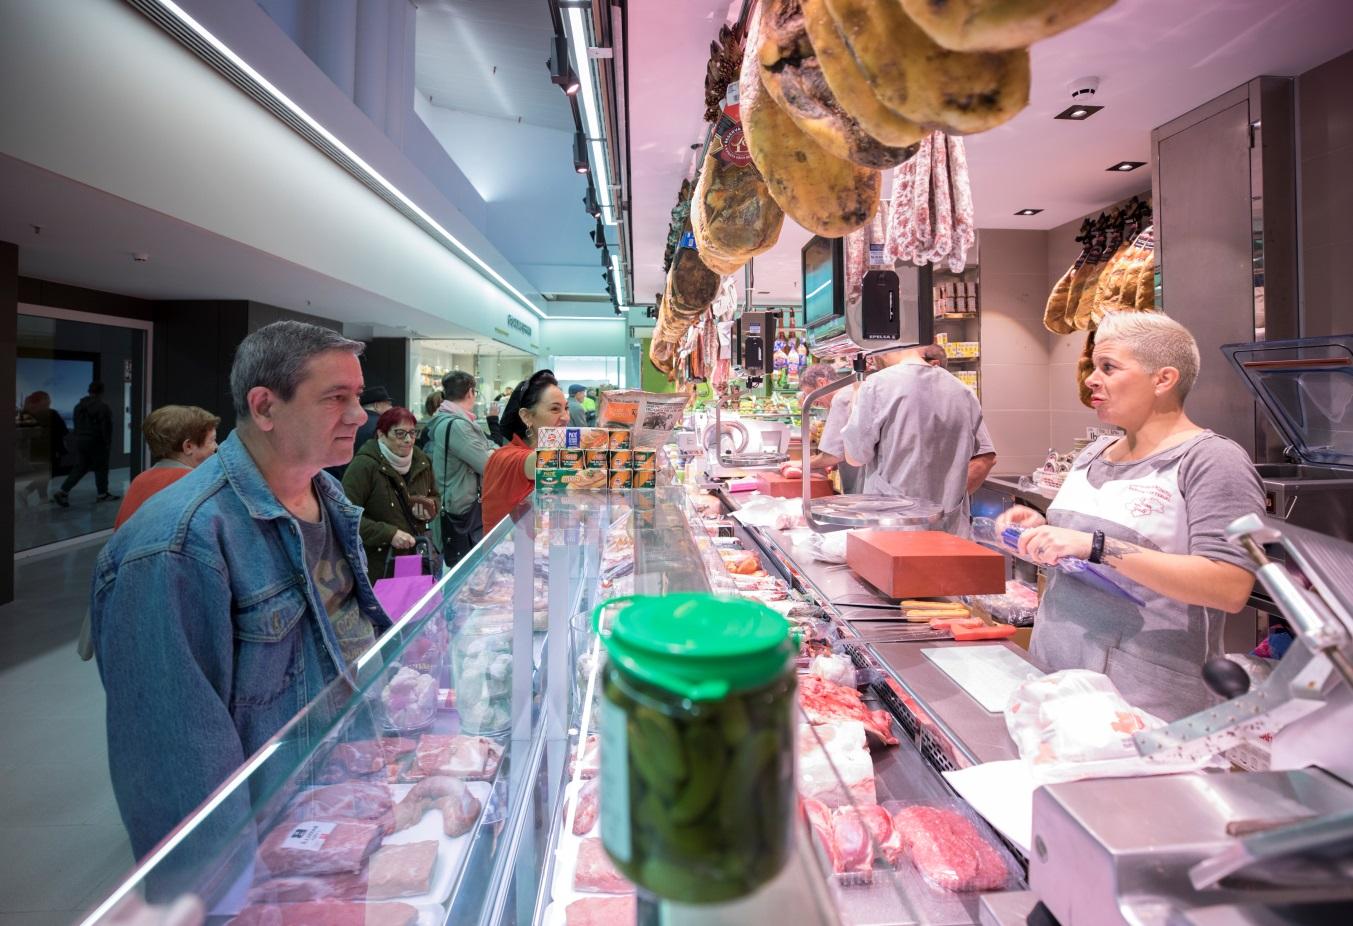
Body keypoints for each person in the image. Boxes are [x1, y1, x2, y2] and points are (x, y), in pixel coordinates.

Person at [91, 320, 390, 860]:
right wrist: (222, 898)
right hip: (272, 845)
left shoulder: (328, 496)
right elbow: (177, 772)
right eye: (335, 398)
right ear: (265, 406)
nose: (359, 415)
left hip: (336, 806)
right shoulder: (175, 547)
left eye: (359, 396)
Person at [997, 312, 1264, 721]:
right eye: (1093, 367)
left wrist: (1099, 547)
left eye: (1108, 367)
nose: (1090, 379)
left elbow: (1229, 586)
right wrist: (1039, 531)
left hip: (1144, 703)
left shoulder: (1211, 460)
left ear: (1164, 379)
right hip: (1055, 679)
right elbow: (1077, 548)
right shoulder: (1093, 454)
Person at [840, 345, 996, 536]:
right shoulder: (963, 391)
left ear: (884, 348)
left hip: (893, 530)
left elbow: (855, 457)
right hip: (950, 530)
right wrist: (949, 494)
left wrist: (857, 397)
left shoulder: (877, 385)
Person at [342, 406, 437, 584]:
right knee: (390, 606)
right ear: (381, 434)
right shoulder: (364, 465)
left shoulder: (422, 461)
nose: (409, 440)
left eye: (413, 432)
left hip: (414, 555)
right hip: (379, 563)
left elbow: (435, 496)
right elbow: (345, 516)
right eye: (400, 433)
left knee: (413, 604)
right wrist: (389, 534)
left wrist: (431, 508)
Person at [481, 370, 569, 532]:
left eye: (566, 408)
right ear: (526, 416)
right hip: (507, 554)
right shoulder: (505, 457)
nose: (566, 417)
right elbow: (539, 462)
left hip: (540, 551)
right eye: (555, 409)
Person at [425, 371, 495, 566]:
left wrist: (489, 451)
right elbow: (487, 463)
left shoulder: (453, 420)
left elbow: (488, 449)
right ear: (471, 392)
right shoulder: (457, 426)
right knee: (466, 569)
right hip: (462, 508)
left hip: (459, 503)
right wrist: (489, 452)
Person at [114, 404, 220, 529]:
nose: (216, 447)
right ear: (188, 447)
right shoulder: (199, 485)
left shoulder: (139, 481)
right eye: (212, 440)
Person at [52, 381, 117, 506]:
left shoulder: (78, 406)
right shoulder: (103, 407)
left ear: (89, 391)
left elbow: (76, 425)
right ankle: (102, 494)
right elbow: (106, 427)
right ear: (102, 392)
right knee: (101, 468)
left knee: (80, 467)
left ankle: (63, 491)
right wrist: (108, 442)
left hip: (81, 441)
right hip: (96, 442)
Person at [15, 391, 67, 504]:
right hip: (50, 449)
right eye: (47, 398)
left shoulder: (26, 415)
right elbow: (63, 430)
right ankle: (28, 492)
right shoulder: (51, 414)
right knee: (47, 473)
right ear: (40, 400)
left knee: (43, 473)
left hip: (34, 450)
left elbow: (22, 433)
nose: (49, 400)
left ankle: (41, 498)